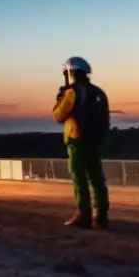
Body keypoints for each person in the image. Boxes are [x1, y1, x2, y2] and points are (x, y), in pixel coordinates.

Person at [53, 56, 111, 229]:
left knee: (79, 177)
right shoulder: (99, 92)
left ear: (71, 73)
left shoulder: (73, 92)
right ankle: (100, 215)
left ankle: (83, 214)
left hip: (76, 140)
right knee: (96, 178)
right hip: (94, 140)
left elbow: (58, 116)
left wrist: (60, 98)